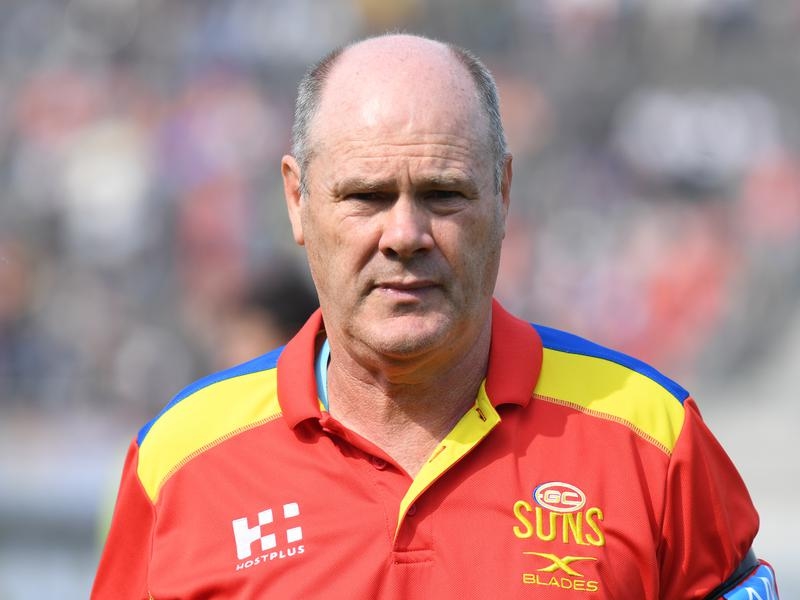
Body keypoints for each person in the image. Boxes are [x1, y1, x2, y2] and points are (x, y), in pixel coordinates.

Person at [92, 34, 779, 599]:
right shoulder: (178, 462)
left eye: (443, 193)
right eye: (366, 196)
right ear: (298, 201)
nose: (404, 234)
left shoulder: (653, 440)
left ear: (503, 193)